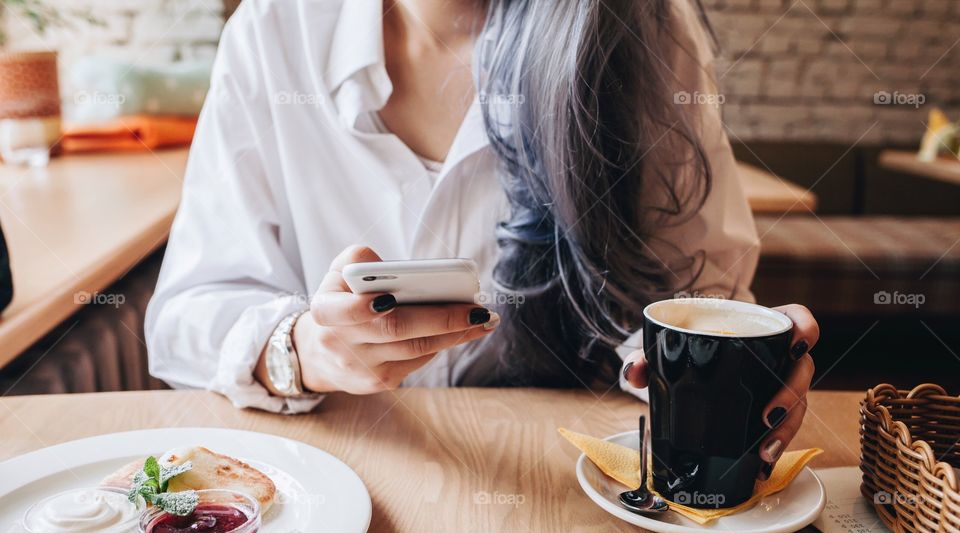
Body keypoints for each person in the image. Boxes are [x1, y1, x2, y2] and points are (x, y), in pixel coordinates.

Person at [146, 0, 818, 478]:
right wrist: (307, 350)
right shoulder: (271, 32)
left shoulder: (647, 28)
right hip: (330, 478)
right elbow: (184, 319)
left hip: (565, 486)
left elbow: (692, 293)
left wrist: (729, 366)